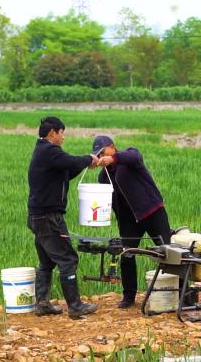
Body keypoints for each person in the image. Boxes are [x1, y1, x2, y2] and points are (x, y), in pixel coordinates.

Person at [27, 116, 99, 319]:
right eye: (62, 133)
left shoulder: (43, 152)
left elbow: (65, 171)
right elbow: (69, 161)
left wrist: (86, 164)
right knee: (68, 259)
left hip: (37, 216)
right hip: (49, 217)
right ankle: (75, 306)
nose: (63, 137)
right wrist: (89, 159)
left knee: (47, 261)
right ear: (52, 133)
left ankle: (42, 304)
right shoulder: (49, 151)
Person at [93, 135, 172, 308]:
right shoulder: (103, 177)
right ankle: (128, 296)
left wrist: (113, 159)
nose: (101, 157)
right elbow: (110, 202)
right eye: (98, 155)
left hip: (151, 211)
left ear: (112, 148)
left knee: (169, 252)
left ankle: (184, 293)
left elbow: (135, 157)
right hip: (129, 219)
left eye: (102, 153)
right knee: (127, 255)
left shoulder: (129, 157)